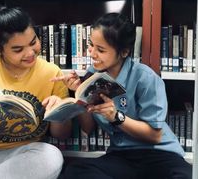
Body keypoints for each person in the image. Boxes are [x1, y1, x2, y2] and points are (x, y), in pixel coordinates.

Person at [55, 12, 192, 179]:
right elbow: (88, 127)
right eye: (91, 45)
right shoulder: (92, 75)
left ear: (124, 52)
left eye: (101, 49)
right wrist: (79, 97)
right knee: (75, 172)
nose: (92, 53)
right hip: (122, 156)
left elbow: (155, 136)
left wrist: (116, 117)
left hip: (159, 155)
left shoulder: (145, 78)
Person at [0, 6, 71, 179]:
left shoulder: (52, 73)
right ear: (0, 49)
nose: (30, 53)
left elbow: (62, 135)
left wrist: (59, 110)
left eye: (33, 42)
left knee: (52, 155)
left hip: (27, 154)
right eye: (18, 50)